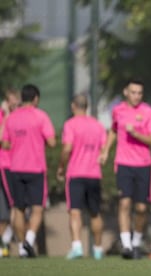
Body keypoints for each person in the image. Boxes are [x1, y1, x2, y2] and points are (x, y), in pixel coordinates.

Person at [101, 79, 151, 259]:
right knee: (124, 203)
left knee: (141, 208)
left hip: (143, 165)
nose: (136, 96)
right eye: (133, 92)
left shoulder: (148, 112)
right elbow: (113, 130)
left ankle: (136, 243)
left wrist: (136, 133)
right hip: (123, 163)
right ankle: (126, 246)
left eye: (139, 93)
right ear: (126, 92)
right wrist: (105, 151)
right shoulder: (118, 110)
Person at [1, 84, 56, 258]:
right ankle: (28, 242)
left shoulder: (12, 118)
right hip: (36, 169)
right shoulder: (41, 116)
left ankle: (21, 246)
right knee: (38, 208)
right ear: (36, 99)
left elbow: (5, 143)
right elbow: (53, 142)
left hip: (16, 168)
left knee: (18, 209)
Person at [56, 94, 107, 260]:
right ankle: (98, 250)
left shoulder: (70, 124)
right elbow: (103, 150)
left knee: (75, 212)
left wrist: (61, 167)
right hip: (94, 174)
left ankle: (77, 246)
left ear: (73, 106)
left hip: (76, 173)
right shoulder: (98, 126)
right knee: (95, 212)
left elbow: (66, 148)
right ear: (87, 107)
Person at [0, 89, 20, 257]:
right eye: (11, 100)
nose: (14, 103)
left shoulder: (21, 116)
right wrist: (6, 116)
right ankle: (6, 243)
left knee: (16, 207)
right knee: (13, 205)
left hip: (21, 165)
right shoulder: (3, 116)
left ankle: (7, 242)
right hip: (5, 165)